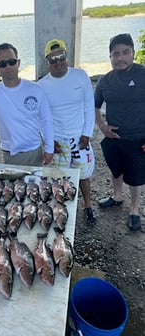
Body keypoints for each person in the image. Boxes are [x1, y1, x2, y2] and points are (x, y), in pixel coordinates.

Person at [38, 39, 96, 224]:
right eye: (52, 59)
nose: (58, 62)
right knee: (58, 178)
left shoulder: (80, 76)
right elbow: (40, 116)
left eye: (61, 57)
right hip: (57, 140)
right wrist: (48, 140)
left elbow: (89, 105)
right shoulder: (41, 85)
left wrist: (87, 133)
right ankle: (60, 210)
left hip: (80, 138)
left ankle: (88, 207)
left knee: (84, 176)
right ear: (46, 62)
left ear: (66, 57)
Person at [95, 33, 145, 231]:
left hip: (138, 137)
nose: (121, 58)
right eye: (116, 54)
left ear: (133, 53)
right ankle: (117, 196)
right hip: (113, 138)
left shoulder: (142, 74)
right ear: (110, 57)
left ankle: (134, 209)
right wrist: (102, 126)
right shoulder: (105, 81)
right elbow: (95, 106)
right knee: (116, 170)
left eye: (125, 52)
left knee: (135, 177)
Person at [0, 42, 54, 167]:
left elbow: (46, 119)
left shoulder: (35, 88)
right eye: (2, 64)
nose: (8, 67)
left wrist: (50, 148)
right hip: (11, 154)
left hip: (35, 151)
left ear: (18, 63)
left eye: (12, 62)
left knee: (36, 185)